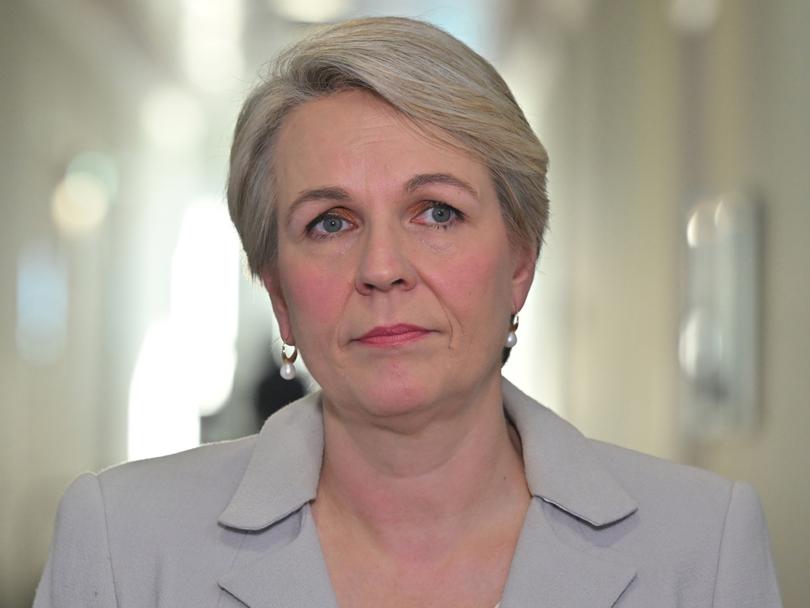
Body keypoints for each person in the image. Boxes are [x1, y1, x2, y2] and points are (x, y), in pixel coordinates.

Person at [34, 16, 781, 608]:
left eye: (436, 212)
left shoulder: (702, 546)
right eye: (330, 221)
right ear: (278, 296)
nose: (382, 269)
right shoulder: (120, 545)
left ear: (520, 263)